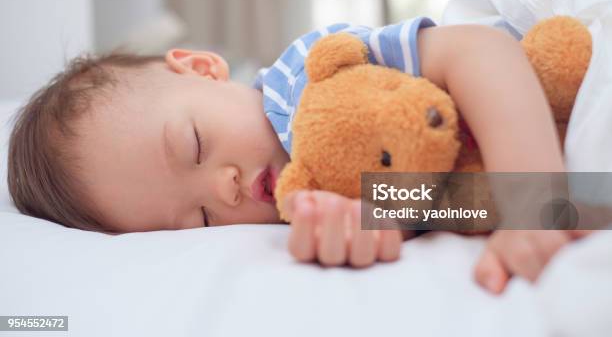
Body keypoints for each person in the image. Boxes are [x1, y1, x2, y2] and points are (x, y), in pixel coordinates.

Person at [7, 17, 590, 296]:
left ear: (204, 69)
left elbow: (478, 51)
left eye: (195, 146)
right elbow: (439, 196)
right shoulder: (299, 205)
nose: (225, 189)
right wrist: (372, 221)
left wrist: (532, 197)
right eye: (201, 219)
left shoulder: (308, 76)